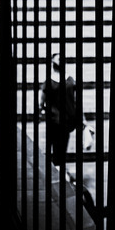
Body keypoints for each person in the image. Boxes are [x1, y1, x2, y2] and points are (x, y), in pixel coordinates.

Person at [40, 52, 93, 180]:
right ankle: (60, 169)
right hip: (67, 120)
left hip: (54, 119)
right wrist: (82, 119)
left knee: (54, 145)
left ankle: (57, 169)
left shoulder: (49, 82)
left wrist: (41, 111)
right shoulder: (70, 81)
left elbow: (42, 101)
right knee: (62, 146)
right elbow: (76, 102)